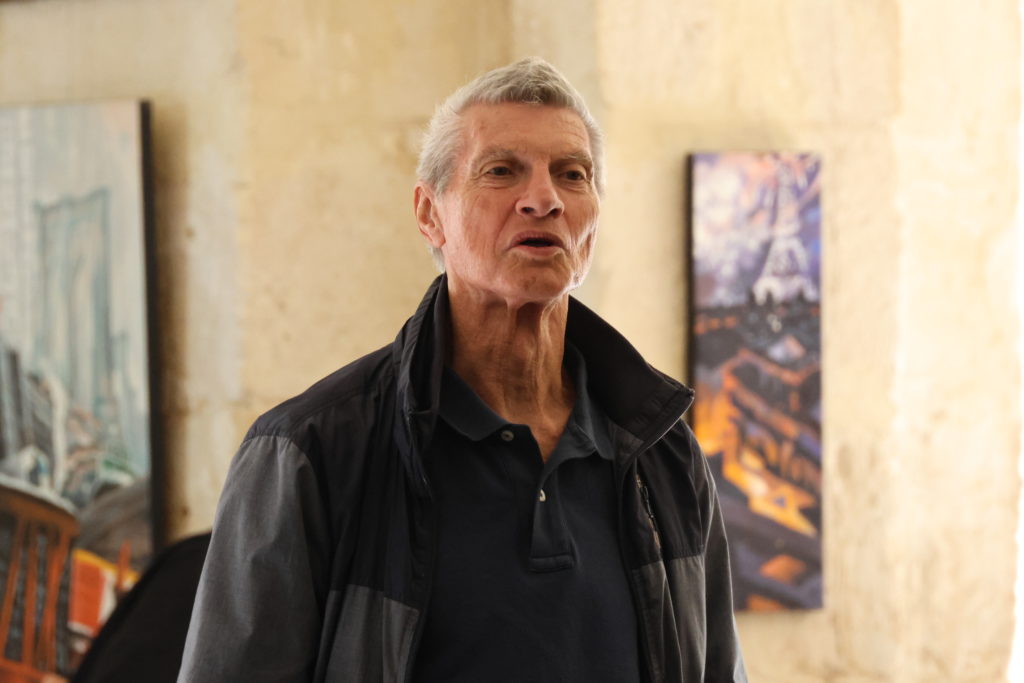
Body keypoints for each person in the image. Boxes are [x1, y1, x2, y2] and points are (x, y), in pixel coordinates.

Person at [177, 57, 746, 683]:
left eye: (571, 174)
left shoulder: (663, 452)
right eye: (501, 171)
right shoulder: (311, 452)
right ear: (430, 214)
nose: (544, 200)